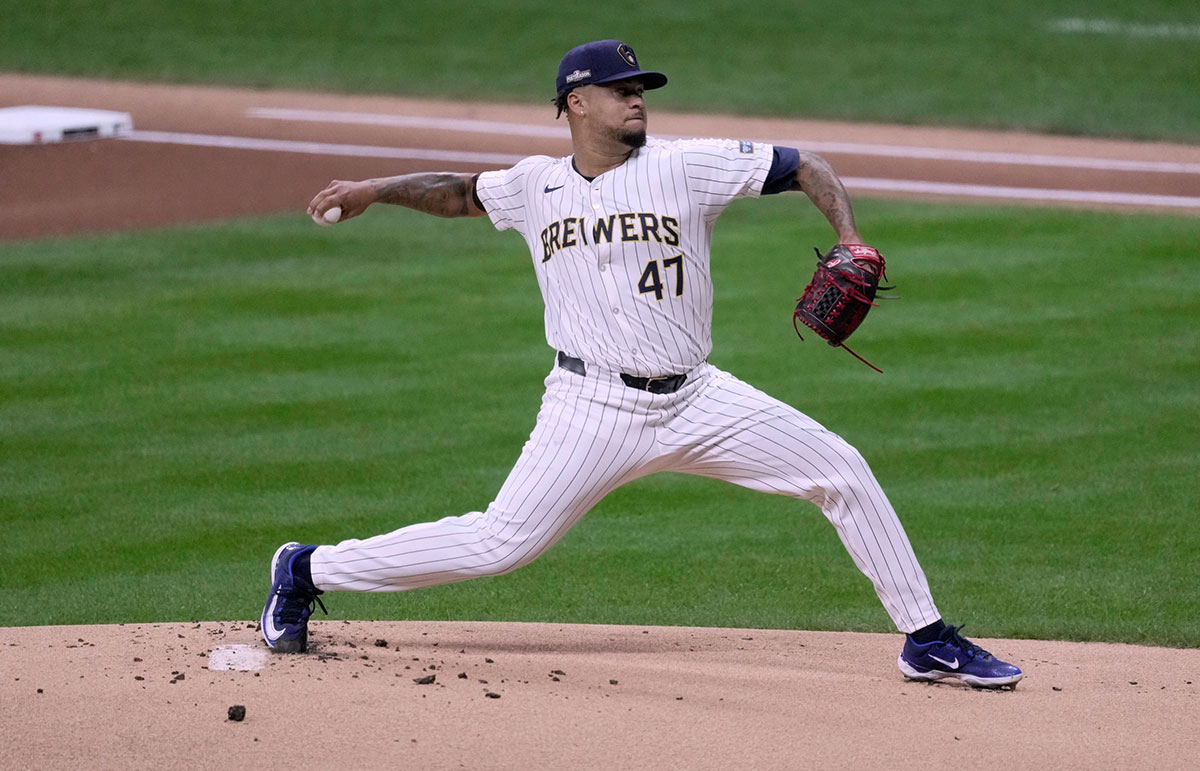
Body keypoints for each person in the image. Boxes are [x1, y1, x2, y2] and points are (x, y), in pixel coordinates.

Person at [262, 39, 1023, 688]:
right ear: (575, 104)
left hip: (697, 399)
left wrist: (851, 237)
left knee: (842, 469)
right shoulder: (535, 184)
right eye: (619, 90)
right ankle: (304, 568)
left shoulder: (688, 166)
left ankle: (925, 638)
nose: (637, 99)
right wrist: (373, 189)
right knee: (501, 542)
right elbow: (458, 192)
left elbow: (806, 166)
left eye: (641, 90)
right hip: (588, 409)